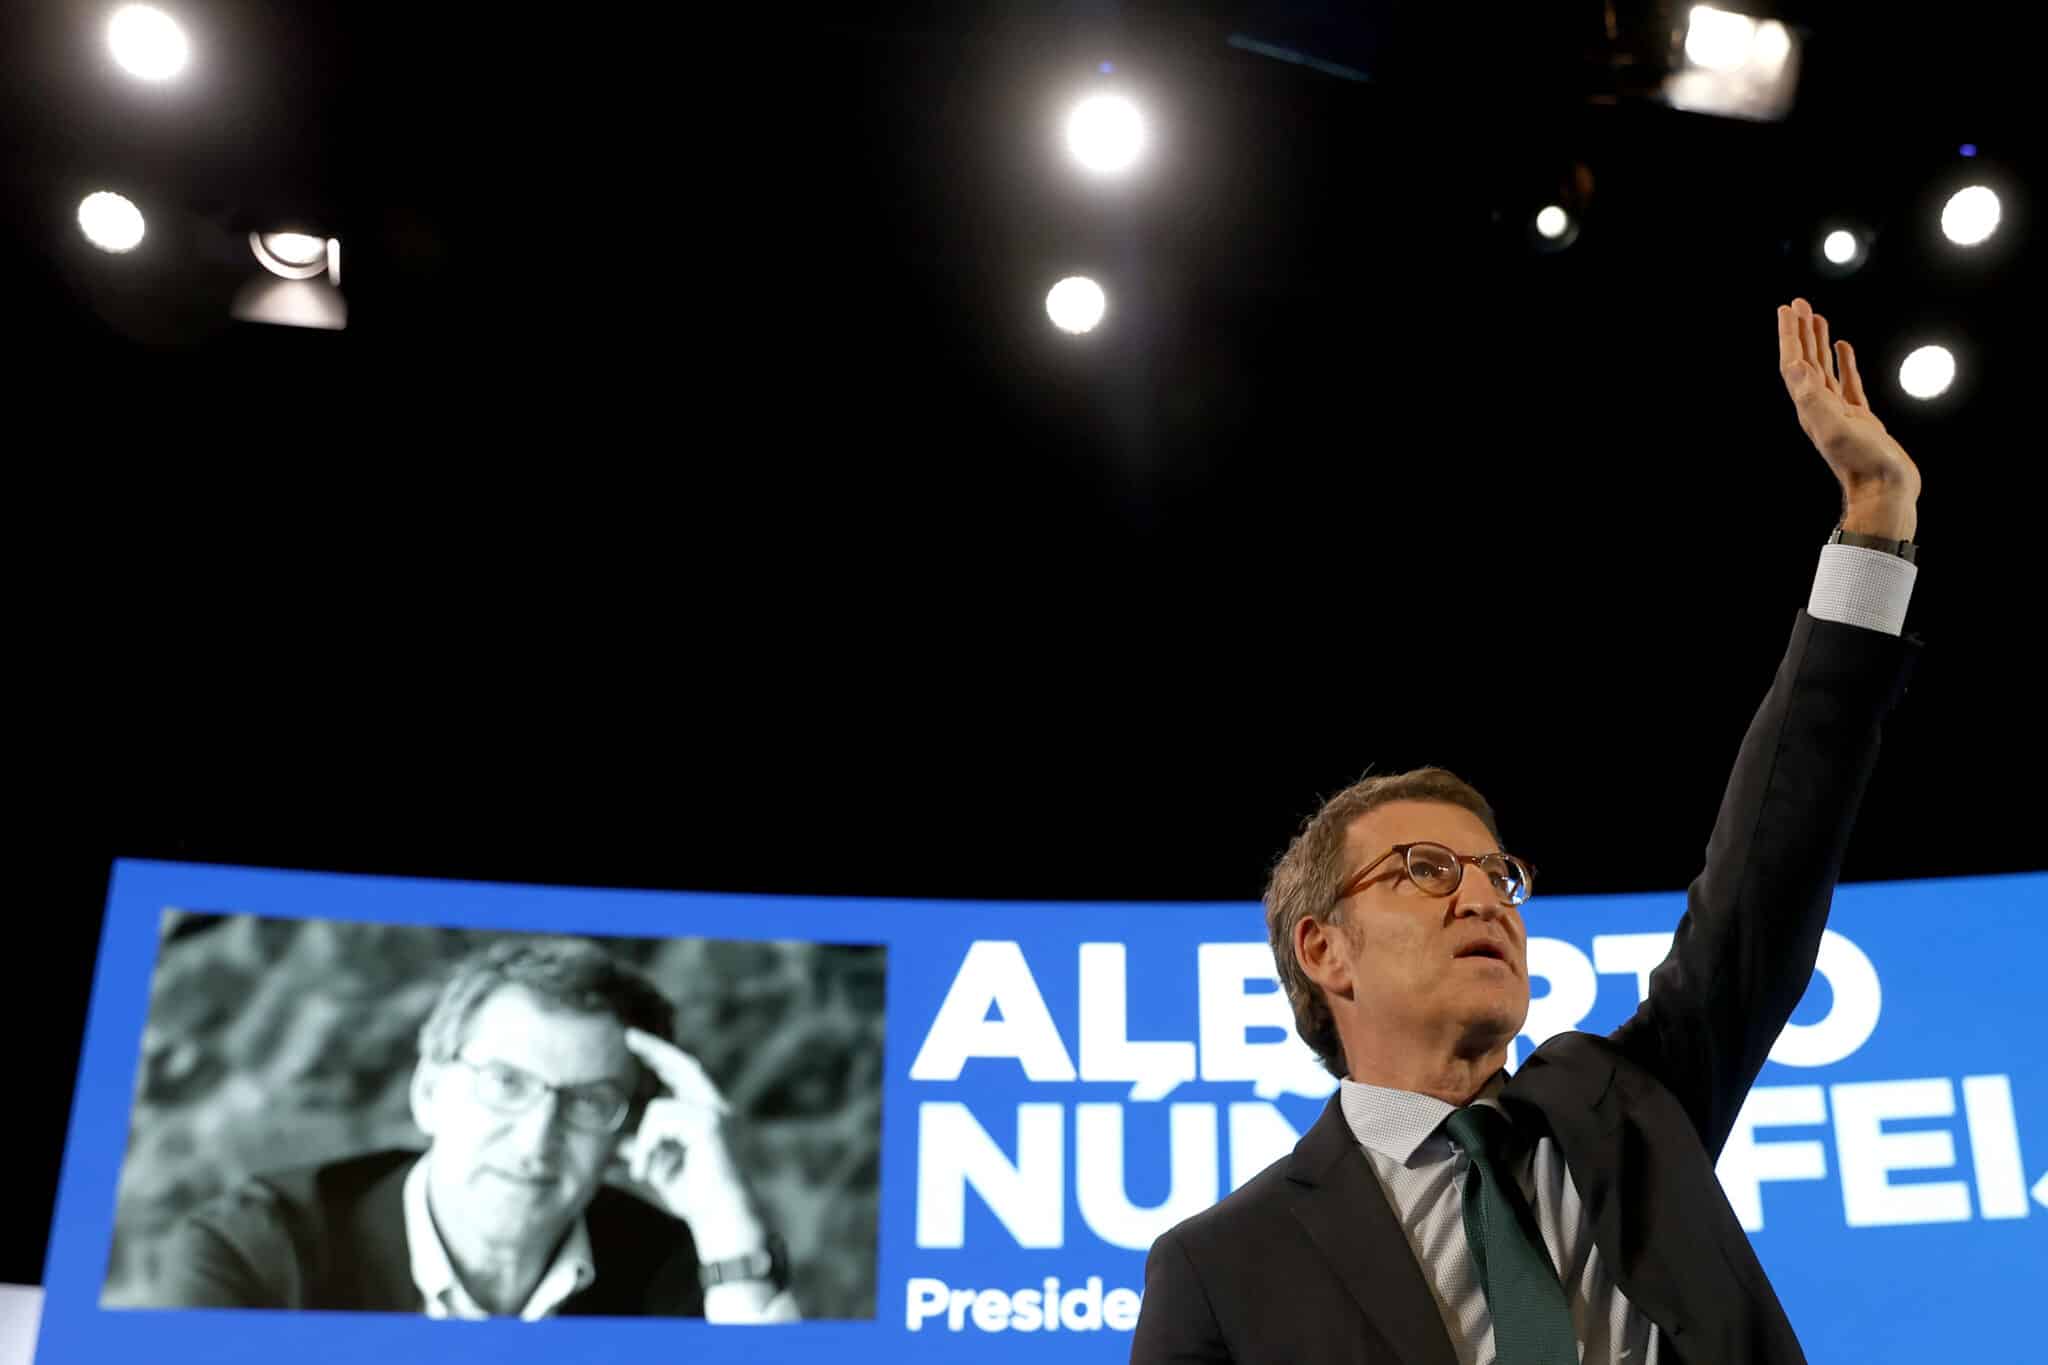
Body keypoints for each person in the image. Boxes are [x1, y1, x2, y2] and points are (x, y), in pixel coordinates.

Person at [1130, 297, 1921, 1365]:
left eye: (1496, 875)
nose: (1480, 897)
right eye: (1422, 870)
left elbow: (1770, 861)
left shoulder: (1631, 1106)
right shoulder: (1220, 1268)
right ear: (1323, 950)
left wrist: (1874, 512)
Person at [146, 935, 801, 1321]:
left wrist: (726, 1223)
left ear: (625, 1133)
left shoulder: (679, 1269)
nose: (536, 1137)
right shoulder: (254, 1254)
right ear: (429, 1093)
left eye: (589, 1100)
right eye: (507, 1083)